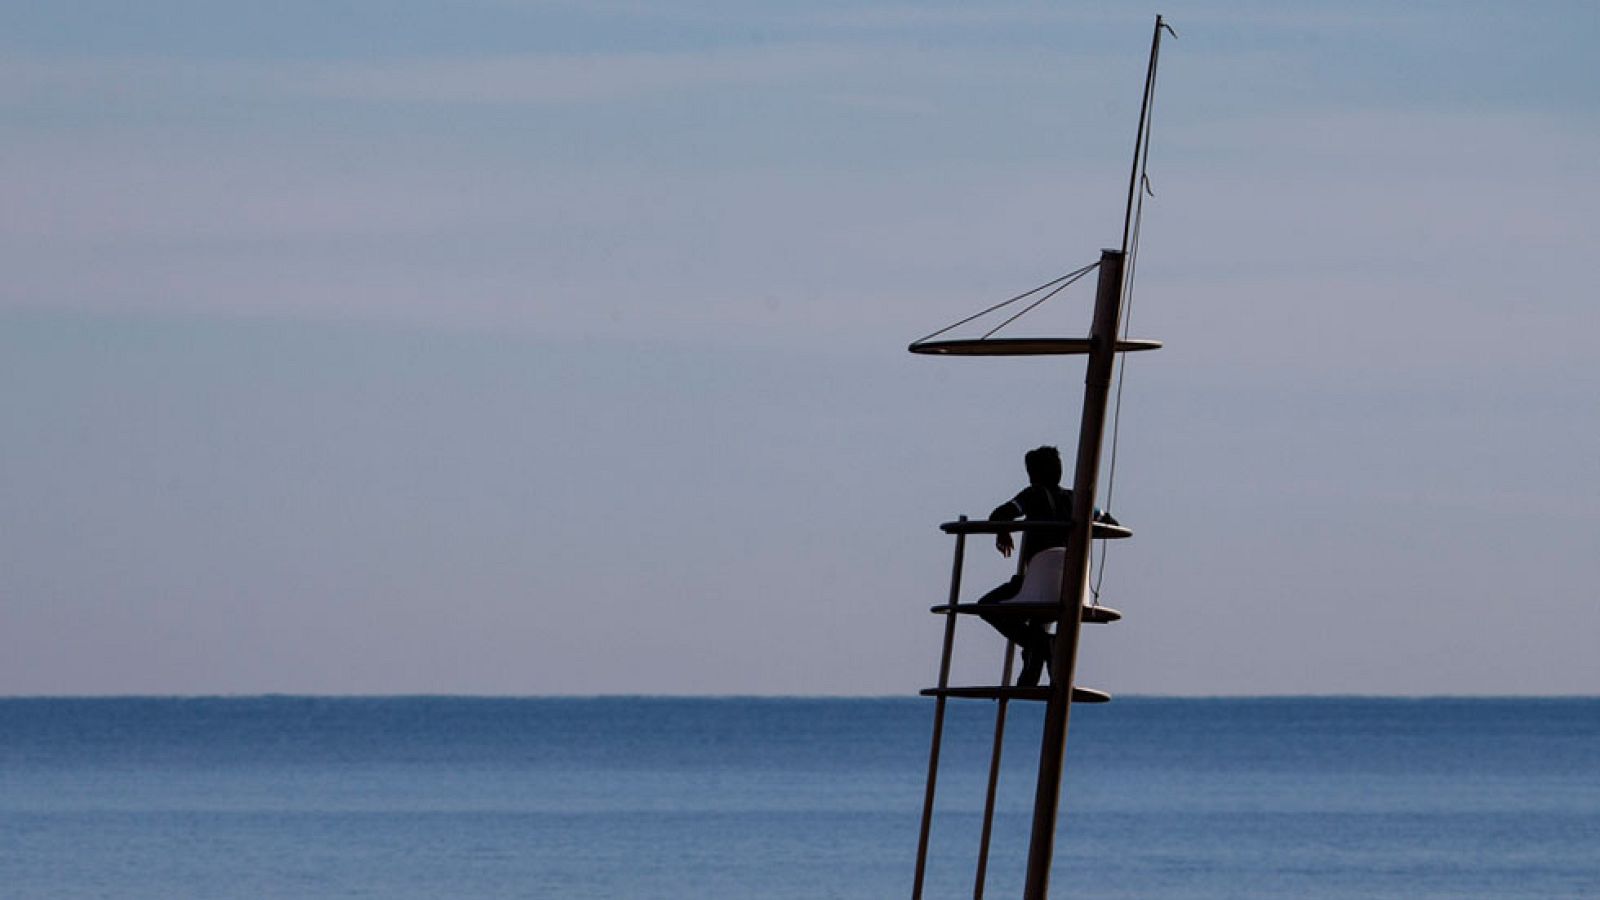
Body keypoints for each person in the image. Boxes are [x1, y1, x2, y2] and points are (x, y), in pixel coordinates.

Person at [975, 446, 1077, 687]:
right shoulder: (1077, 499)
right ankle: (1034, 659)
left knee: (986, 606)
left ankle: (1039, 644)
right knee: (1036, 615)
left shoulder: (1032, 495)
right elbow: (1107, 519)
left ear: (1033, 474)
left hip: (1033, 584)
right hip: (1070, 586)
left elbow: (1000, 513)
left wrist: (1002, 530)